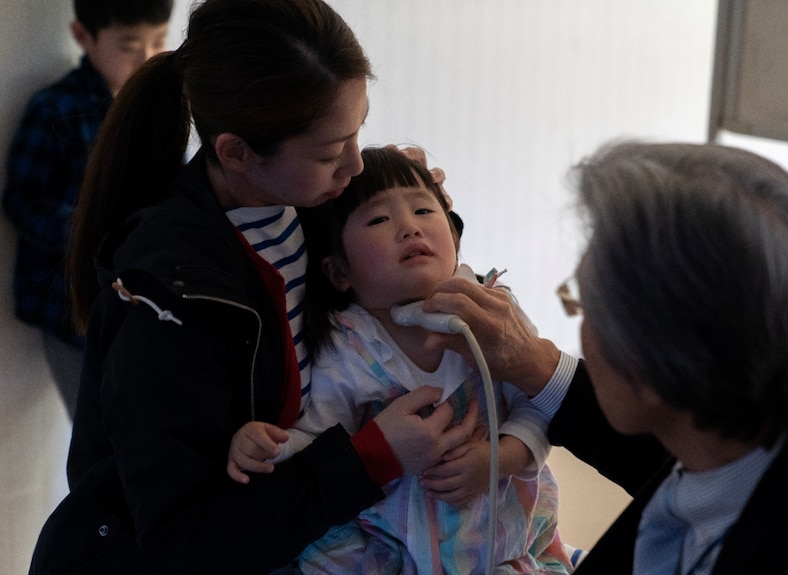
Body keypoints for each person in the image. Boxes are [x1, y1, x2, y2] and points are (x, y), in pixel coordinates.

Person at [28, 1, 479, 573]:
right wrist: (370, 460)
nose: (355, 165)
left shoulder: (296, 204)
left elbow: (373, 271)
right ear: (236, 152)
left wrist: (426, 210)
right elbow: (184, 541)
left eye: (357, 130)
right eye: (328, 151)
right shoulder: (170, 302)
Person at [419, 141, 788, 574]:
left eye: (588, 307)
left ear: (656, 366)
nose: (583, 332)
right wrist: (535, 364)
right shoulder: (743, 436)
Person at [227, 146, 574, 574]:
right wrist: (270, 446)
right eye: (378, 219)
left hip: (500, 537)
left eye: (425, 211)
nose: (410, 228)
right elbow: (322, 437)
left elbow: (541, 407)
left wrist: (501, 457)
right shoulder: (349, 346)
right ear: (339, 273)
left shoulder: (491, 311)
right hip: (392, 543)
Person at [2, 0, 174, 417]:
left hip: (135, 301)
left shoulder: (159, 107)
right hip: (70, 307)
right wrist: (90, 233)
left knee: (136, 420)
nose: (148, 58)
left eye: (159, 42)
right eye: (130, 45)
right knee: (93, 429)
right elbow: (21, 199)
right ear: (82, 36)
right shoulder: (55, 109)